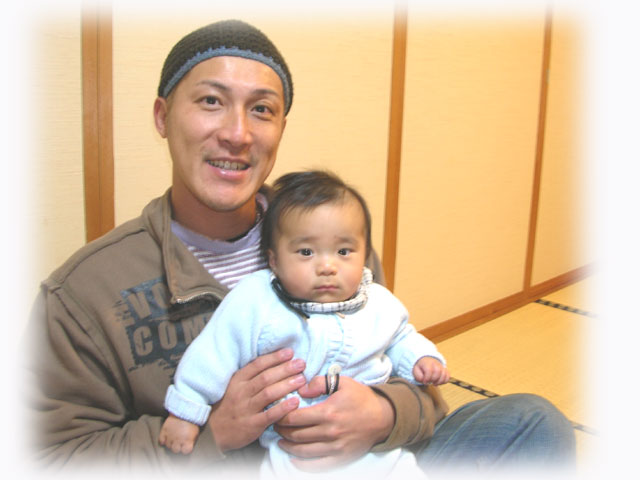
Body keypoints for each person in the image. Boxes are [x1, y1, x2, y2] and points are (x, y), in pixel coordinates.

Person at [25, 18, 575, 475]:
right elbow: (50, 458)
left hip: (366, 463)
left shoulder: (328, 245)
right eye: (211, 101)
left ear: (281, 127)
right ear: (163, 117)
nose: (238, 133)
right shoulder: (84, 293)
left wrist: (382, 413)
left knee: (532, 424)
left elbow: (413, 379)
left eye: (262, 109)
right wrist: (215, 432)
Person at [158, 170, 450, 478]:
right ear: (274, 260)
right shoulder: (258, 300)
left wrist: (422, 359)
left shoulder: (377, 301)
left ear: (364, 255)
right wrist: (187, 411)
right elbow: (215, 350)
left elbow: (400, 337)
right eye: (306, 252)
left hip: (379, 452)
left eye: (343, 251)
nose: (327, 266)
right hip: (296, 454)